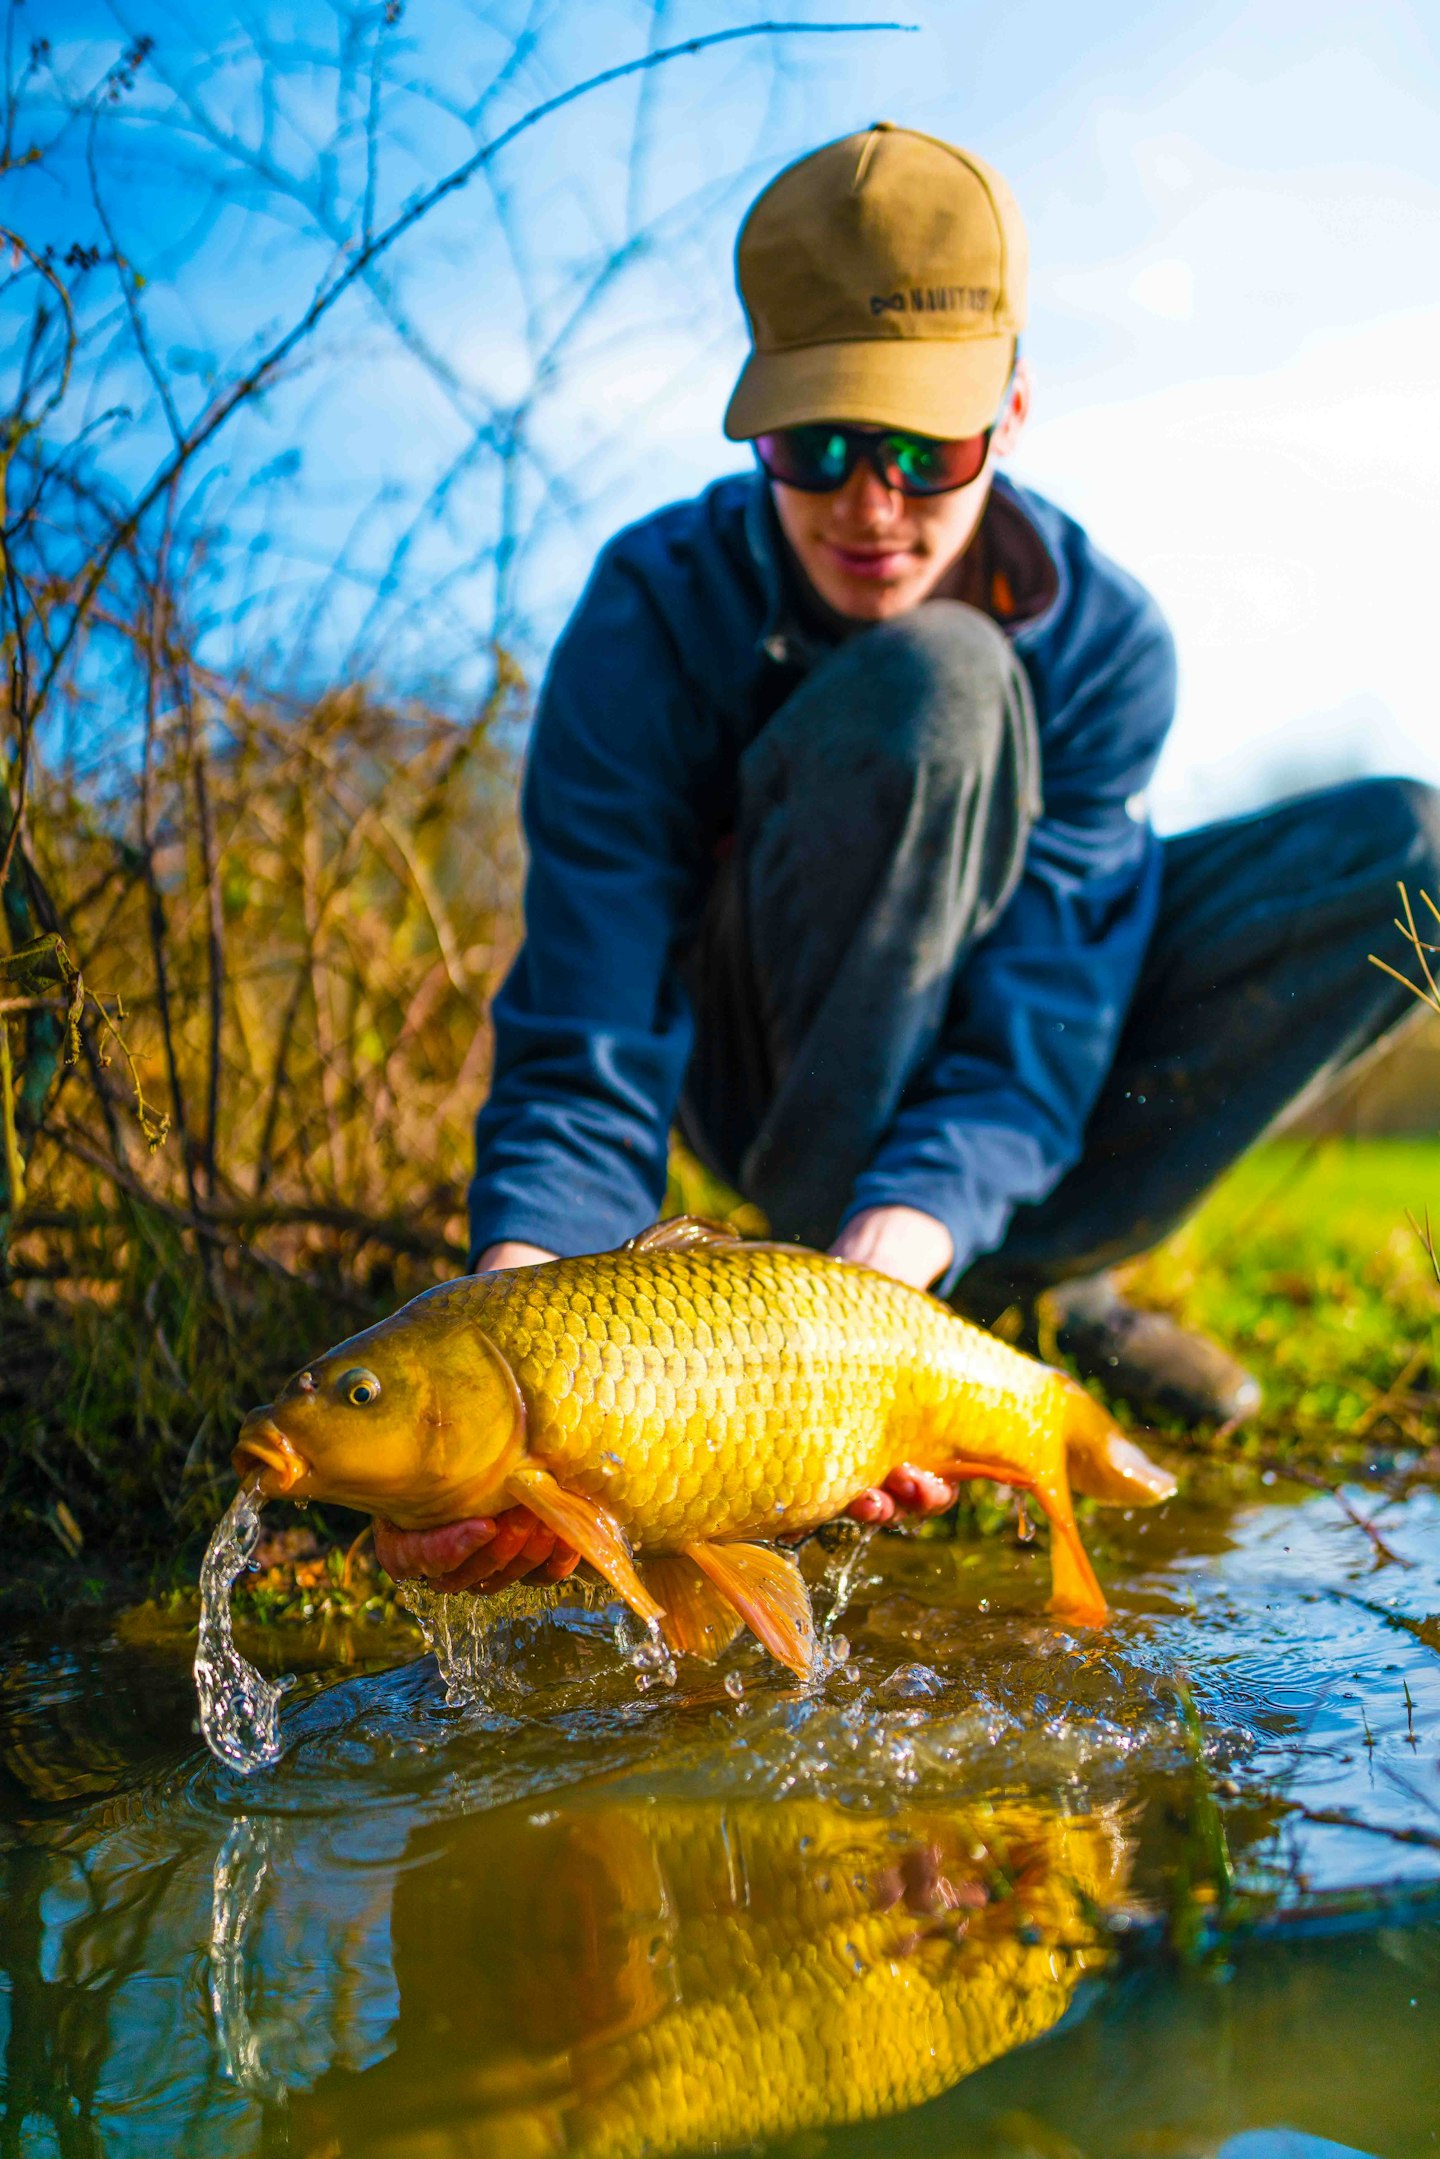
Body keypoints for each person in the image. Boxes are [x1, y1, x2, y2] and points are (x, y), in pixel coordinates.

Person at [375, 124, 1440, 1597]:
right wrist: (518, 1313)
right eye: (815, 448)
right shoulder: (647, 616)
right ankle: (837, 1319)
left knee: (1407, 860)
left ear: (1010, 415)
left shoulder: (1110, 643)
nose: (870, 506)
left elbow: (1041, 1028)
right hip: (779, 1087)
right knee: (937, 680)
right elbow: (589, 1029)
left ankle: (1027, 1295)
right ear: (753, 432)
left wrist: (895, 1266)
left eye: (924, 453)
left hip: (1006, 1094)